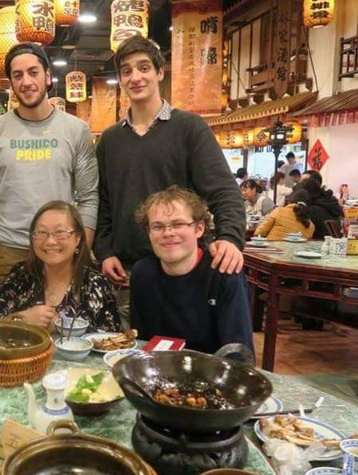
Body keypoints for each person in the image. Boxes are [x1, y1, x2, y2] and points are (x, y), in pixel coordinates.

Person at [94, 36, 245, 325]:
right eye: (126, 71)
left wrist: (230, 238)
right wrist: (104, 251)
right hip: (126, 274)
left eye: (144, 68)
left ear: (160, 72)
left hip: (184, 270)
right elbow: (102, 203)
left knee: (187, 354)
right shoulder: (110, 140)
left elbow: (224, 189)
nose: (135, 77)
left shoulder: (189, 128)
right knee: (131, 353)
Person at [0, 42, 98, 287]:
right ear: (11, 83)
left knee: (60, 324)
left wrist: (81, 254)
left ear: (47, 76)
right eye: (17, 75)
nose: (26, 82)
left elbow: (89, 196)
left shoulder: (76, 130)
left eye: (33, 72)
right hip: (3, 252)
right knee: (5, 325)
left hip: (59, 249)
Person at [129, 186, 254, 355]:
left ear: (199, 228)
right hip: (158, 371)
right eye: (157, 227)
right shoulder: (142, 273)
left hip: (214, 373)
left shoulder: (224, 272)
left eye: (178, 224)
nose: (168, 233)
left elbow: (239, 354)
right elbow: (140, 342)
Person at [0, 201, 121, 334]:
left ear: (77, 239)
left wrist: (62, 327)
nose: (50, 241)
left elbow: (112, 340)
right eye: (42, 233)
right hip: (22, 355)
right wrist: (22, 319)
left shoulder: (95, 282)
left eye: (60, 232)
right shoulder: (21, 275)